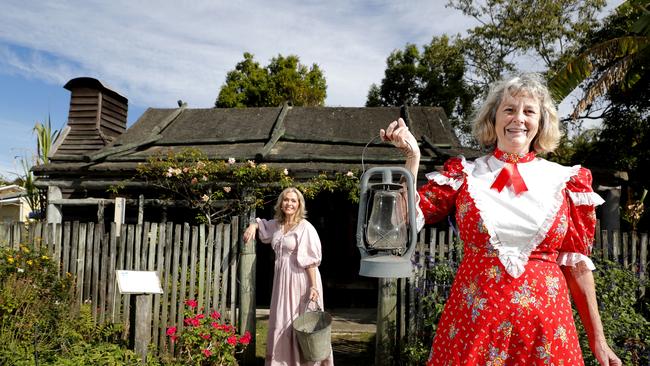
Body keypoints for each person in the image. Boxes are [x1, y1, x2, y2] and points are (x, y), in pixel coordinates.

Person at [380, 73, 621, 365]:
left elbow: (578, 267)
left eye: (529, 111)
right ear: (493, 119)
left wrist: (598, 338)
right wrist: (412, 159)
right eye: (509, 109)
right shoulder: (465, 173)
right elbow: (403, 224)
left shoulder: (566, 180)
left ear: (540, 123)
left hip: (546, 333)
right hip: (473, 326)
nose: (518, 118)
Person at [243, 187, 334, 366]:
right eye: (286, 200)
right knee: (281, 321)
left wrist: (313, 286)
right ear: (281, 203)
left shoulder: (306, 228)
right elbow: (263, 226)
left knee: (303, 323)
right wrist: (253, 225)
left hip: (302, 280)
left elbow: (310, 262)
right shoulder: (277, 224)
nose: (289, 203)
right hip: (282, 282)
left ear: (299, 204)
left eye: (293, 201)